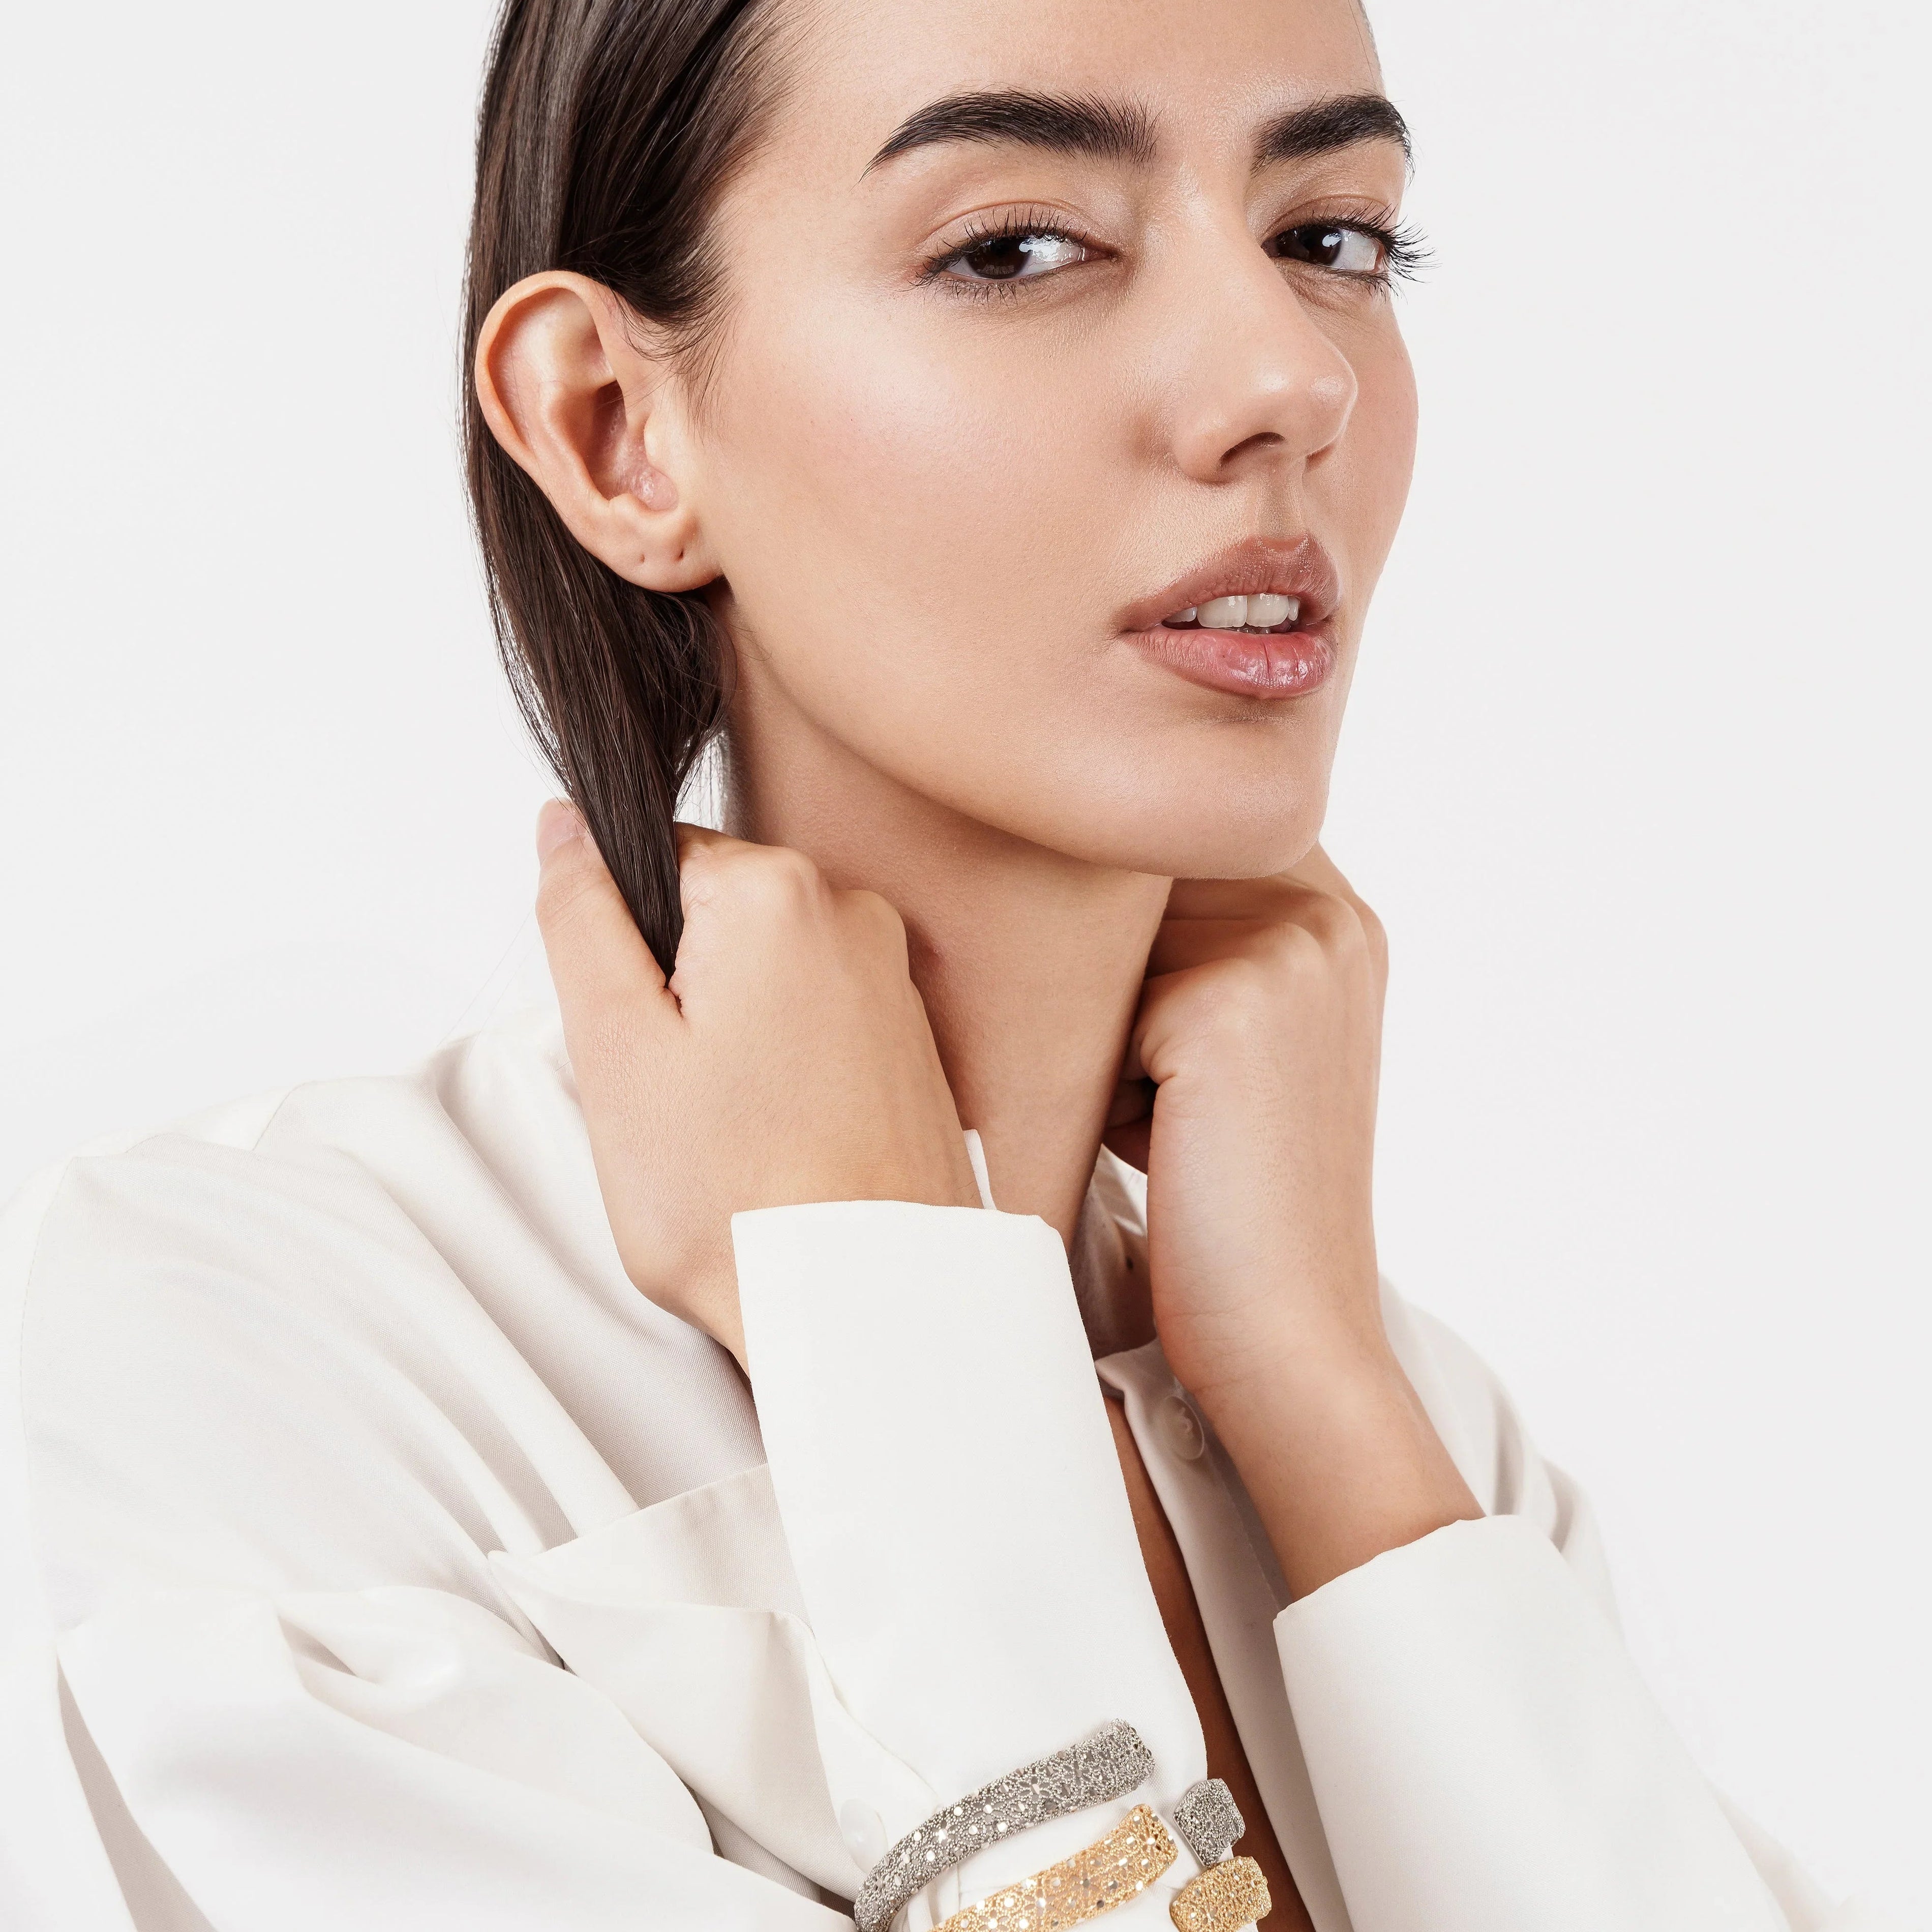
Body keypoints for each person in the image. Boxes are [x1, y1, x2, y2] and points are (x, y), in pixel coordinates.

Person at [0, 1, 1895, 1928]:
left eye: (1332, 236)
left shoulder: (1398, 1414)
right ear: (616, 427)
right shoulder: (272, 1341)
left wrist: (1322, 1399)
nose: (1284, 377)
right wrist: (894, 1323)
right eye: (1015, 248)